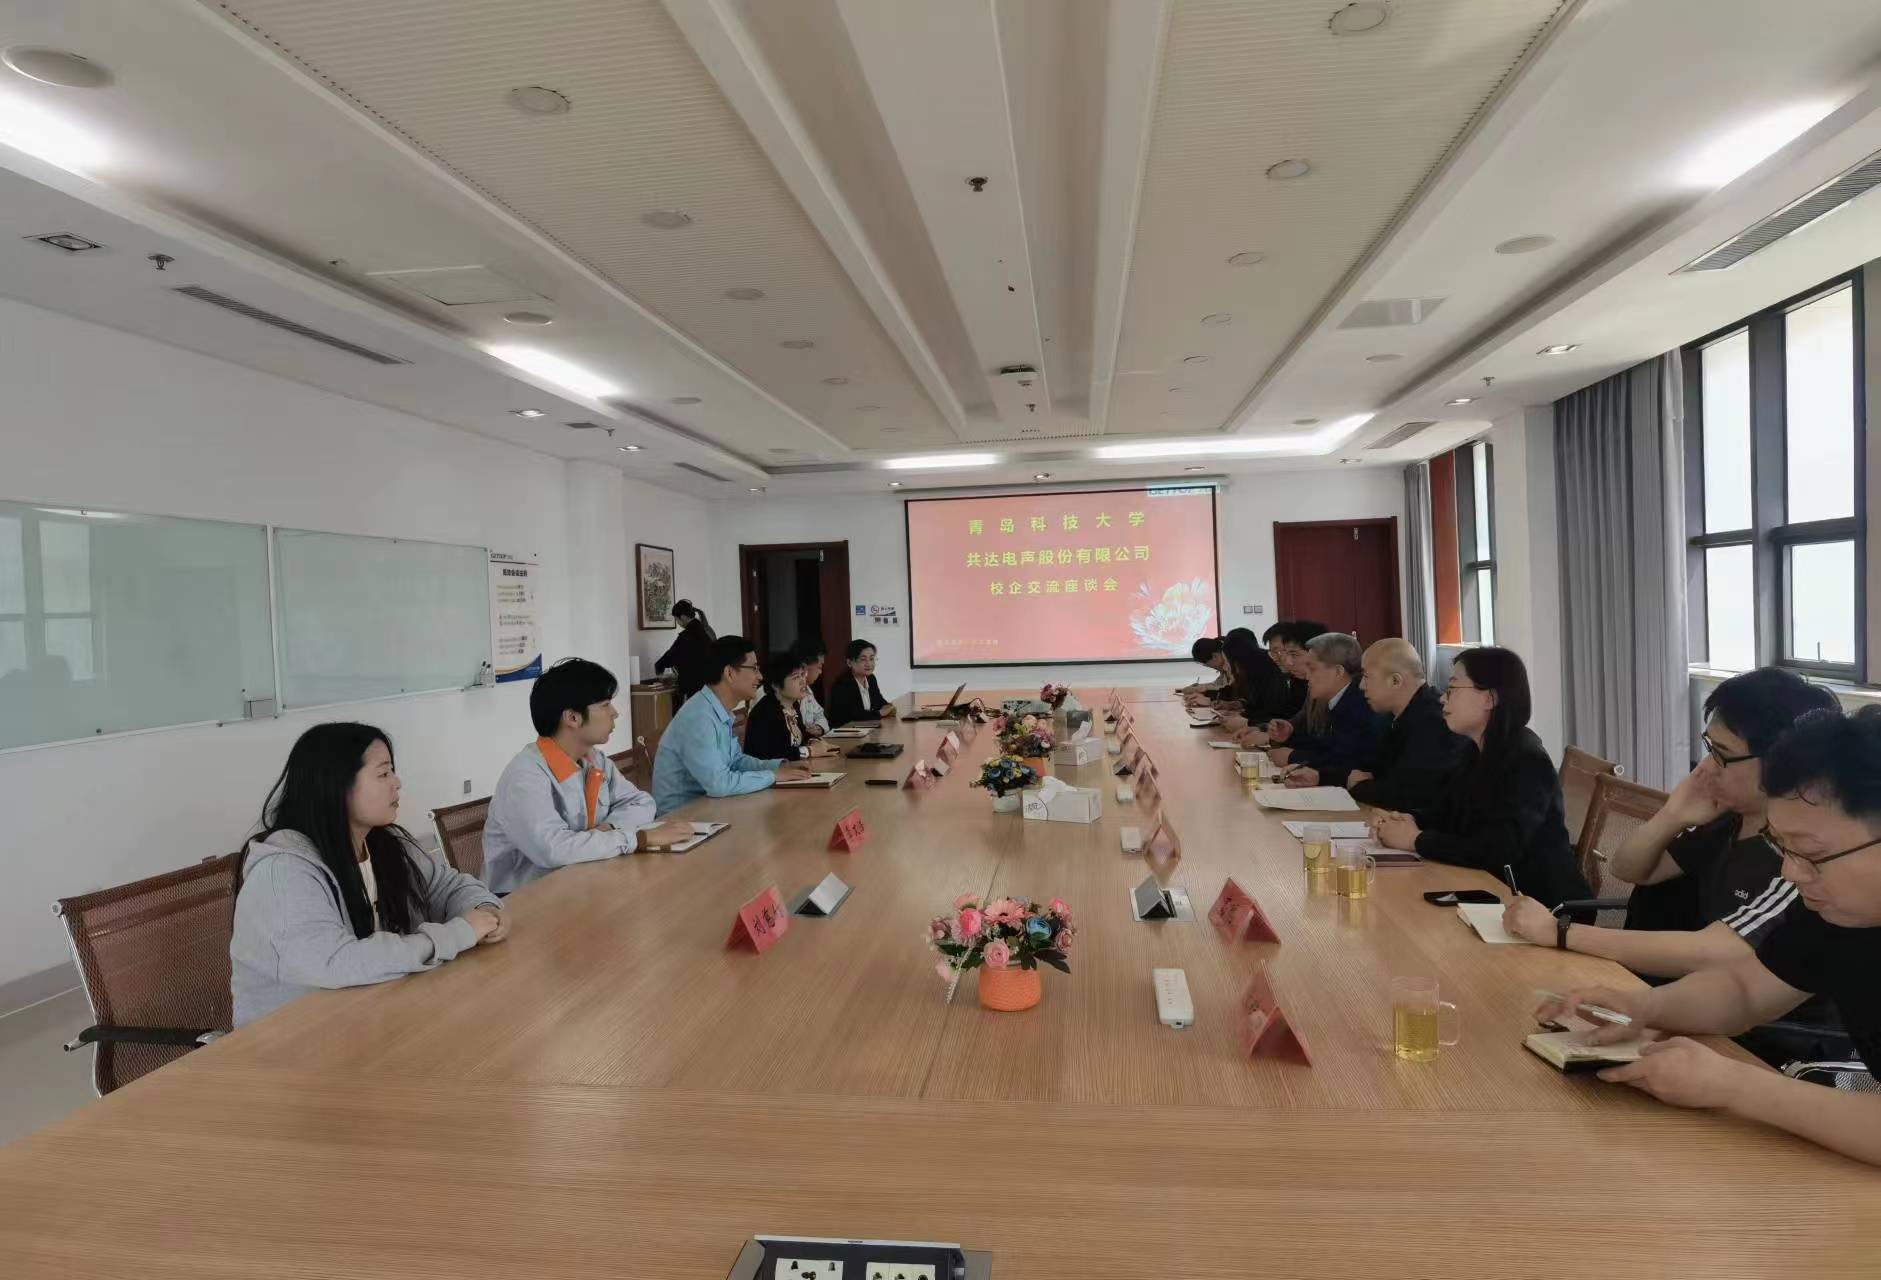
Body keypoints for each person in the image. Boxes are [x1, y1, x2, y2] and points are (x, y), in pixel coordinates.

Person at [1537, 707, 1881, 1166]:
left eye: (1811, 853)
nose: (1789, 872)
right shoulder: (1837, 911)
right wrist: (1644, 1008)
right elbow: (1745, 989)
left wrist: (1732, 1085)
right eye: (1782, 846)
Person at [1503, 668, 1838, 982]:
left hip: (1740, 1017)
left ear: (1780, 762)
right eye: (1709, 747)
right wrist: (1673, 814)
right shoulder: (1728, 819)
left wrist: (1559, 932)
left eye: (1721, 754)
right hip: (1685, 993)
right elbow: (1629, 869)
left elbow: (1716, 951)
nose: (1705, 767)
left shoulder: (1805, 853)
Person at [230, 723, 506, 1026]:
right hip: (295, 1038)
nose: (397, 783)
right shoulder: (282, 872)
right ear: (337, 785)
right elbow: (337, 962)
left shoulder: (387, 844)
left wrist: (484, 910)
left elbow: (448, 887)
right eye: (383, 773)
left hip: (375, 1017)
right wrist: (457, 934)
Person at [1370, 646, 1592, 907]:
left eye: (1452, 689)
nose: (1442, 699)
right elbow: (1448, 813)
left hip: (1540, 905)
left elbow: (1498, 849)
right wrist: (1408, 819)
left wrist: (1415, 840)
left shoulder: (1526, 759)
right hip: (1488, 889)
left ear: (1489, 698)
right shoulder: (1475, 749)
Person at [483, 658, 693, 895]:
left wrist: (609, 829)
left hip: (583, 878)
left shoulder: (593, 759)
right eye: (605, 705)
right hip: (524, 899)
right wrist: (638, 838)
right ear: (572, 718)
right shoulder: (525, 776)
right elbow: (554, 850)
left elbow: (642, 802)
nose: (615, 713)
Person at [1285, 637, 1464, 807]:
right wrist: (1321, 777)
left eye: (1367, 677)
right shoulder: (1398, 714)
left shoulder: (1432, 722)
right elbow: (1373, 770)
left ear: (1395, 681)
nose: (1361, 686)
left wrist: (1356, 786)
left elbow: (1406, 796)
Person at [653, 635, 814, 813]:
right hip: (683, 817)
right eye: (754, 668)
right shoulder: (699, 717)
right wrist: (773, 776)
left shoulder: (718, 710)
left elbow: (736, 761)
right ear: (729, 673)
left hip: (712, 808)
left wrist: (779, 766)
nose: (760, 676)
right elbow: (719, 784)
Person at [1224, 620, 1320, 745]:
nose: (1285, 660)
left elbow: (1326, 741)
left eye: (1293, 654)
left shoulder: (1307, 681)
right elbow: (1294, 721)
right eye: (1273, 653)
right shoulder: (1293, 677)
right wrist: (1260, 727)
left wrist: (1262, 731)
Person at [744, 651, 843, 763]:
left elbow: (802, 736)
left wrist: (814, 741)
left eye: (802, 675)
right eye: (796, 677)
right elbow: (775, 754)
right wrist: (810, 751)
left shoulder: (793, 705)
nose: (803, 681)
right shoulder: (766, 712)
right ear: (776, 685)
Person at [654, 599, 717, 704]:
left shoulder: (688, 635)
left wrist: (659, 666)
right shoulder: (707, 630)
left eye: (676, 619)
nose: (678, 623)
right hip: (711, 684)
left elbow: (671, 656)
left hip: (694, 686)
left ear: (682, 617)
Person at [827, 639, 896, 726]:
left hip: (864, 728)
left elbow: (879, 701)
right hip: (845, 730)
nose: (869, 664)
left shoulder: (871, 679)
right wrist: (880, 713)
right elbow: (854, 715)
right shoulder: (842, 684)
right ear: (849, 663)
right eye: (863, 659)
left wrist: (888, 707)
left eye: (871, 658)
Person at [793, 639, 832, 739]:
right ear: (804, 666)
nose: (820, 672)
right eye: (819, 667)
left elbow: (820, 715)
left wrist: (819, 727)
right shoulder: (779, 693)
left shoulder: (807, 690)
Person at [1178, 637, 1231, 702]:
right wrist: (1198, 687)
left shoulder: (1231, 664)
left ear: (1215, 656)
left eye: (1206, 664)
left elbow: (1231, 691)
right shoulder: (1224, 664)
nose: (1210, 667)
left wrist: (1202, 692)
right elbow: (1218, 684)